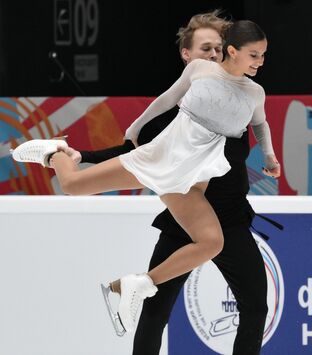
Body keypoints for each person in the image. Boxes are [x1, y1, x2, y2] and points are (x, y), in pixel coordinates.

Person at [11, 17, 279, 355]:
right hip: (163, 160)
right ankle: (56, 153)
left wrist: (270, 157)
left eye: (263, 55)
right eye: (254, 54)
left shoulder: (254, 92)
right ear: (232, 51)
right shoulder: (200, 71)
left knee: (212, 242)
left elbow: (262, 125)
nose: (260, 62)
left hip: (194, 181)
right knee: (74, 186)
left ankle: (137, 284)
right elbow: (166, 100)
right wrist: (134, 129)